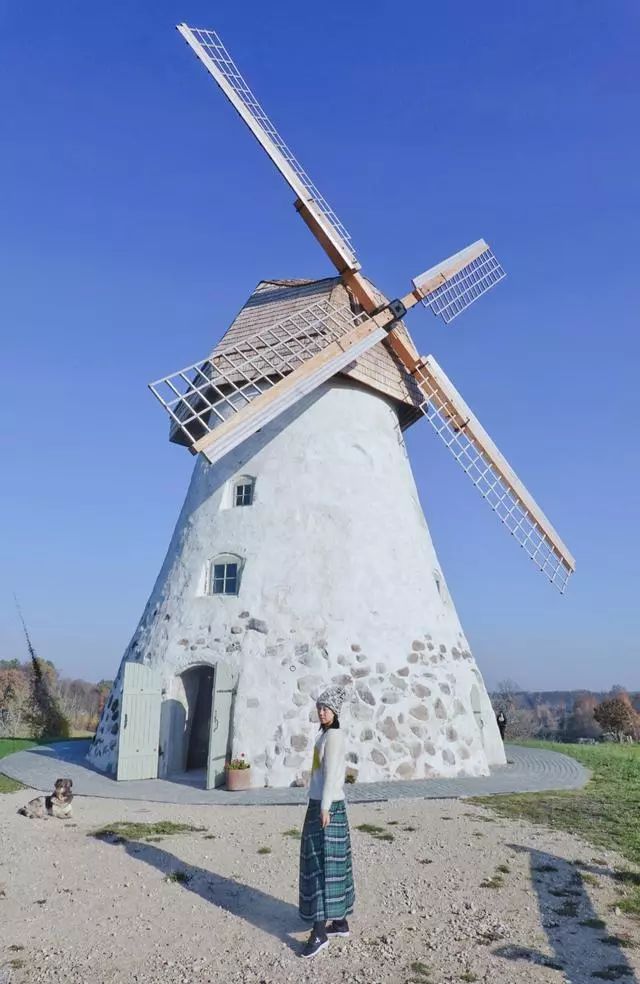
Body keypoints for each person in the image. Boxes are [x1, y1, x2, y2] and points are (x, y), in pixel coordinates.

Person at [298, 685, 355, 958]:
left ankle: (319, 932)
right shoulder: (326, 735)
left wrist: (323, 807)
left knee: (320, 865)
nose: (321, 712)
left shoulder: (333, 736)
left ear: (335, 711)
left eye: (326, 708)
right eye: (319, 708)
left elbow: (332, 775)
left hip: (326, 807)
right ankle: (340, 921)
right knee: (334, 864)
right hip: (327, 804)